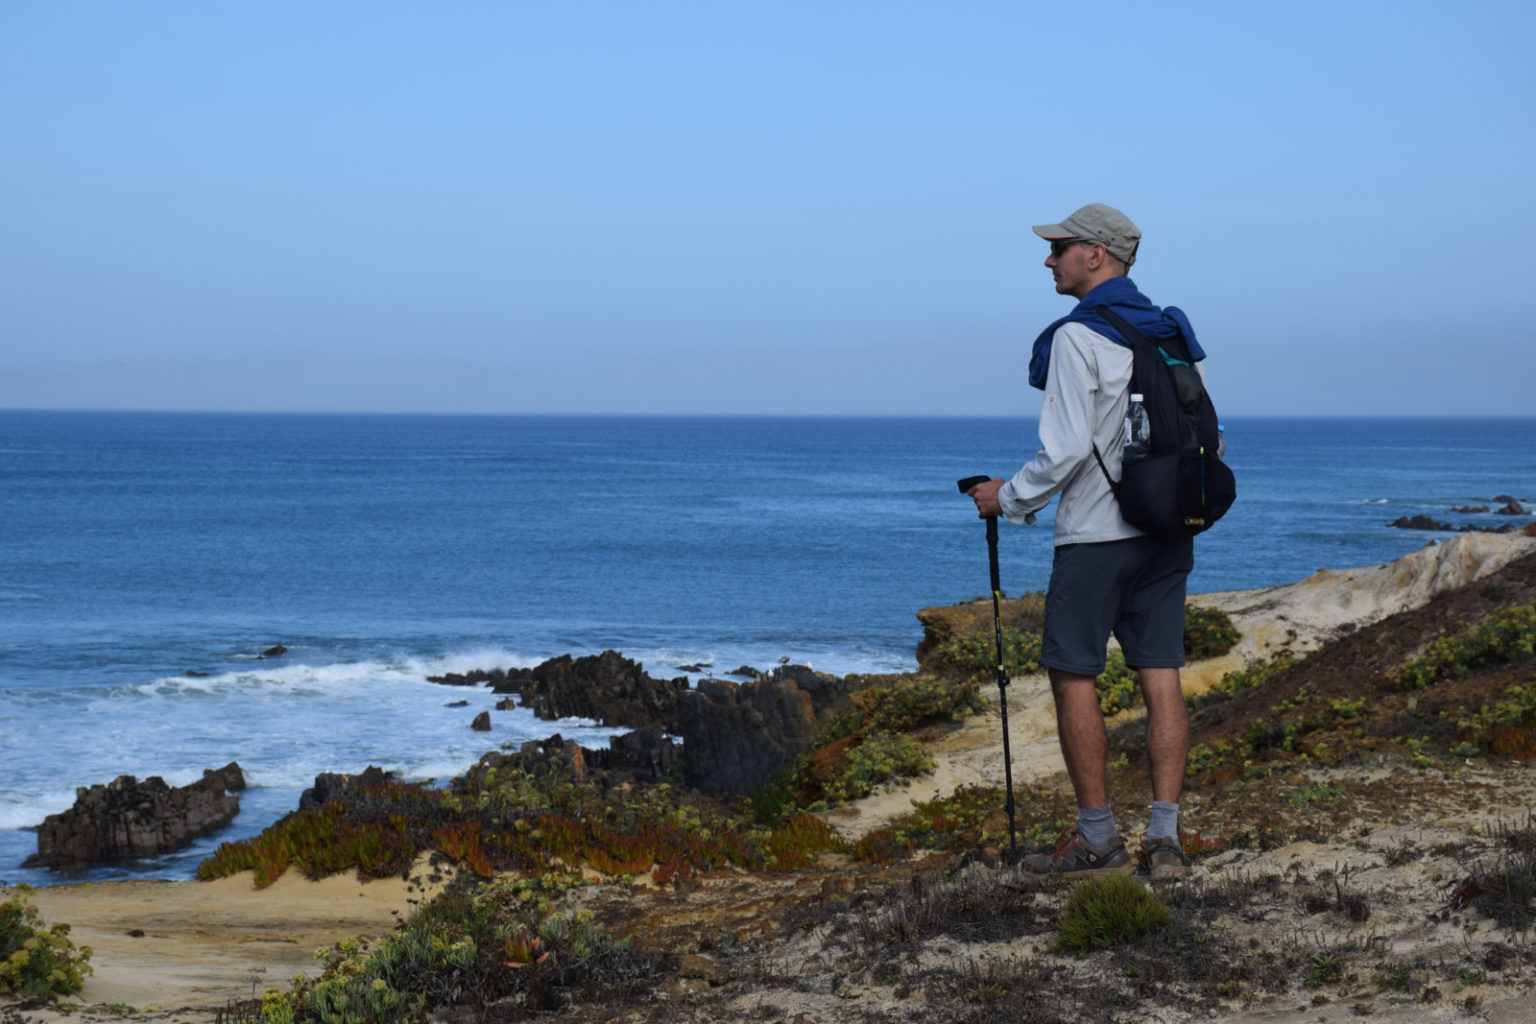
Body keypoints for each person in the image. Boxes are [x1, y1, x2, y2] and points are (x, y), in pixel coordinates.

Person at [967, 203, 1205, 881]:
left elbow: (1067, 449)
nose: (1049, 259)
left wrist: (1006, 498)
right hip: (1167, 528)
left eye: (1059, 248)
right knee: (1161, 675)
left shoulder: (1079, 337)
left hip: (1098, 533)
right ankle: (1165, 841)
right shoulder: (1170, 330)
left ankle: (1098, 837)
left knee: (1074, 674)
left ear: (1096, 255)